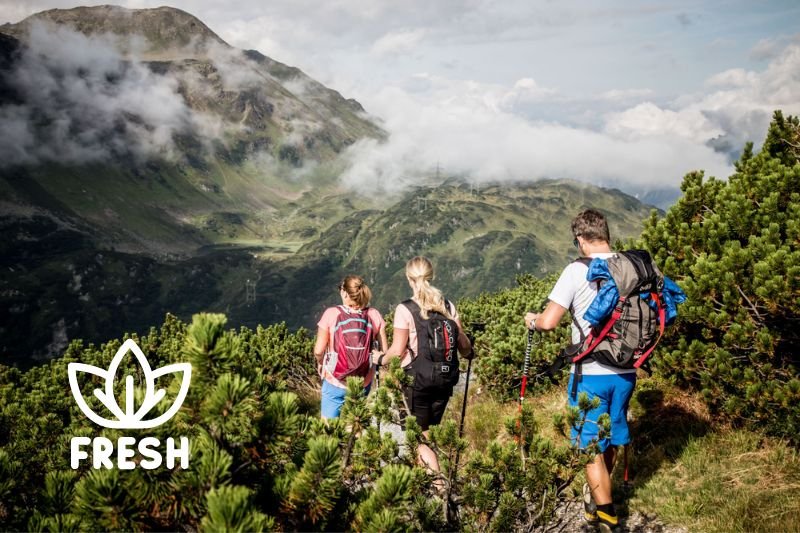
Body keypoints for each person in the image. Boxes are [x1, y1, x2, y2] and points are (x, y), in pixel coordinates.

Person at [524, 208, 633, 531]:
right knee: (610, 438)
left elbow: (549, 321)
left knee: (589, 446)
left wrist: (532, 320)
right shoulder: (629, 267)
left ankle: (607, 515)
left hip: (590, 372)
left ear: (581, 240)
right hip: (626, 372)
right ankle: (597, 498)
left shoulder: (576, 270)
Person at [372, 256, 471, 485]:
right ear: (431, 275)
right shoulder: (448, 306)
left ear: (409, 278)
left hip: (417, 382)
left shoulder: (404, 309)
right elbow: (464, 345)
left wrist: (379, 358)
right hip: (445, 380)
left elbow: (397, 351)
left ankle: (438, 488)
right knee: (428, 432)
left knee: (418, 438)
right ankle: (426, 483)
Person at [314, 275, 388, 420]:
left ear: (345, 292)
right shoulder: (374, 314)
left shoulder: (331, 313)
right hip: (363, 381)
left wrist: (321, 362)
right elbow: (384, 351)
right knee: (355, 425)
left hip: (334, 379)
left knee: (328, 428)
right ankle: (353, 442)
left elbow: (318, 351)